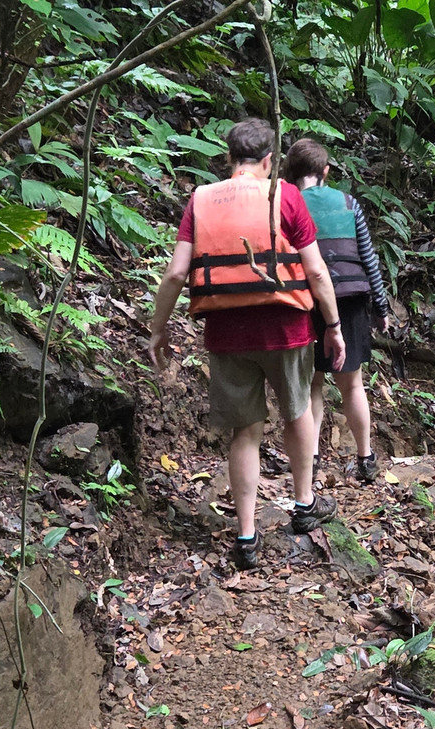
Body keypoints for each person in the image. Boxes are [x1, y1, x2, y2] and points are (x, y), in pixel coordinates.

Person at [148, 118, 346, 570]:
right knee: (297, 412)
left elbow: (177, 273)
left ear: (229, 158)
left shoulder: (200, 200)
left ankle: (246, 535)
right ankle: (303, 505)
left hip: (227, 331)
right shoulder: (287, 196)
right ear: (270, 160)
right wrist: (332, 325)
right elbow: (315, 272)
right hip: (286, 329)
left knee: (246, 431)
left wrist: (158, 328)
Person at [282, 139, 391, 483]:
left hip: (304, 299)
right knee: (353, 385)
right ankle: (366, 457)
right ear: (326, 171)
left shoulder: (286, 203)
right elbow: (368, 257)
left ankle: (312, 459)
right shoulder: (348, 203)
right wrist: (382, 306)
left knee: (312, 383)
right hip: (351, 298)